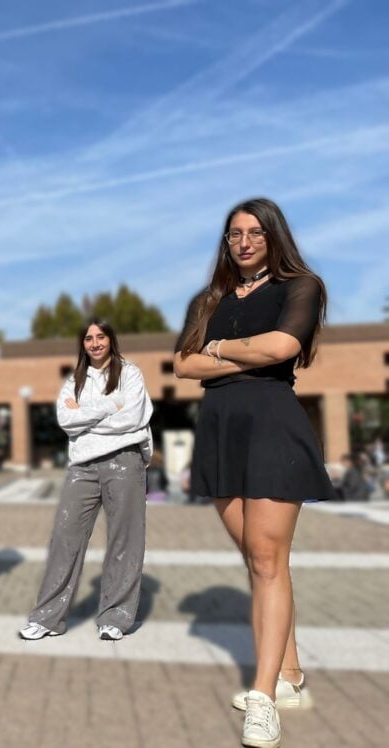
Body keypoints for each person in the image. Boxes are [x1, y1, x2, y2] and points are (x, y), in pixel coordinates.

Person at [174, 198, 333, 748]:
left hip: (271, 423)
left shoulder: (300, 287)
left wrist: (217, 349)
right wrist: (240, 352)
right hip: (219, 430)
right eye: (234, 234)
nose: (243, 242)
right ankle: (289, 674)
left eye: (255, 233)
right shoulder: (208, 298)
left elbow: (284, 346)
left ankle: (262, 698)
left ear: (273, 237)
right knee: (260, 557)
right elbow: (182, 363)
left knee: (266, 559)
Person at [19, 319, 153, 644]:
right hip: (82, 466)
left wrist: (87, 417)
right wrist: (110, 406)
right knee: (65, 538)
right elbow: (66, 420)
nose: (94, 343)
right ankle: (48, 617)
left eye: (101, 336)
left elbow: (133, 417)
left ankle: (115, 617)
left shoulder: (130, 373)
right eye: (89, 338)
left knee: (125, 539)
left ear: (111, 339)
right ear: (83, 343)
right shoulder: (74, 380)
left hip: (125, 459)